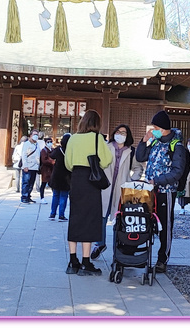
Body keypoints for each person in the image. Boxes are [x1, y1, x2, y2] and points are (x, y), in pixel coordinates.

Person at [134, 110, 187, 273]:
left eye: (155, 127)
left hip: (166, 191)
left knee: (165, 225)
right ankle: (141, 253)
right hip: (150, 190)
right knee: (146, 222)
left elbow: (177, 172)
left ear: (163, 128)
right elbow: (141, 157)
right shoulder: (156, 142)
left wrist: (157, 181)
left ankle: (162, 258)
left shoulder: (176, 146)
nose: (153, 129)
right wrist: (144, 141)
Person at [63, 111, 113, 276]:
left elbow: (68, 163)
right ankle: (86, 261)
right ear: (96, 123)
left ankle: (72, 261)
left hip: (76, 179)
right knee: (90, 219)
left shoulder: (73, 138)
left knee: (75, 218)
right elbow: (106, 161)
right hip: (91, 180)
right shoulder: (97, 138)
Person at [91, 123, 145, 260]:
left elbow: (138, 168)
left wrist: (131, 180)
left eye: (124, 133)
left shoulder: (131, 151)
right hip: (105, 187)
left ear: (127, 136)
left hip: (122, 190)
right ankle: (100, 243)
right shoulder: (106, 147)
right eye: (118, 131)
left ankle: (118, 248)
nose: (120, 135)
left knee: (119, 219)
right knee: (101, 217)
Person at [48, 134, 71, 221]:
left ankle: (52, 213)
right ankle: (61, 215)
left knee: (55, 195)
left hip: (57, 175)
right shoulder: (71, 151)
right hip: (67, 175)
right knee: (64, 196)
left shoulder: (58, 150)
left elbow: (51, 155)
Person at [16, 129, 42, 203]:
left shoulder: (37, 144)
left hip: (35, 166)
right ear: (30, 135)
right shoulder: (27, 144)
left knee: (31, 183)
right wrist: (25, 166)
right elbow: (24, 155)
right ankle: (24, 196)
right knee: (26, 182)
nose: (36, 136)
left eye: (37, 135)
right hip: (28, 166)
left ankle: (28, 196)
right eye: (34, 135)